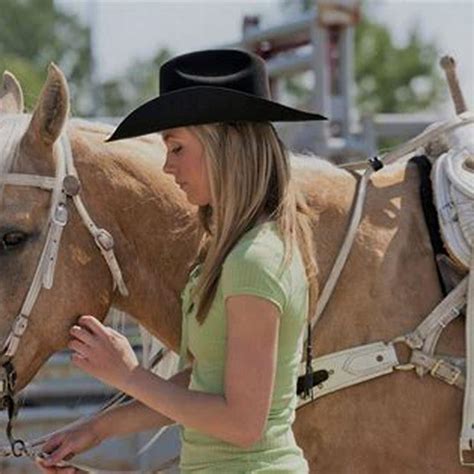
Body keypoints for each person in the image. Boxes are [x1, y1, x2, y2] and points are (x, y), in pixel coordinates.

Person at [35, 48, 326, 473]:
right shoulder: (233, 254)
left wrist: (129, 375)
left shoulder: (253, 261)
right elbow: (203, 384)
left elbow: (243, 424)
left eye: (176, 147)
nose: (167, 167)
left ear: (224, 145)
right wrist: (97, 430)